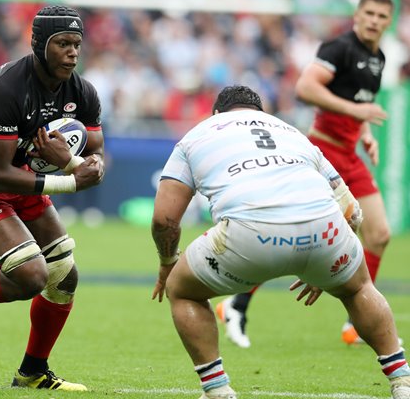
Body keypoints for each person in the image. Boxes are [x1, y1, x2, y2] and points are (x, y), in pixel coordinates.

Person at [151, 85, 409, 399]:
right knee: (358, 288)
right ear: (261, 113)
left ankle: (217, 388)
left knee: (183, 290)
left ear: (216, 114)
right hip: (326, 229)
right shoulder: (292, 133)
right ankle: (402, 380)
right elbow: (352, 213)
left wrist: (167, 263)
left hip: (250, 234)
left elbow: (165, 220)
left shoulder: (196, 134)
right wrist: (331, 261)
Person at [0, 5, 104, 392]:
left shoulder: (83, 92)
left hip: (25, 180)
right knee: (31, 276)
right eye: (62, 44)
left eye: (77, 44)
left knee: (65, 275)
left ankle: (33, 372)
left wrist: (75, 162)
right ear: (39, 44)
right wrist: (71, 179)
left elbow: (95, 157)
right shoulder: (4, 89)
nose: (73, 53)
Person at [216, 0, 395, 348]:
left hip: (350, 154)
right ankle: (236, 303)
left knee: (380, 233)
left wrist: (367, 135)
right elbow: (306, 88)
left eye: (381, 16)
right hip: (324, 153)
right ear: (357, 16)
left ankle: (358, 320)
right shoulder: (339, 47)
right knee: (289, 232)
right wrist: (357, 111)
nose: (374, 21)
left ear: (388, 21)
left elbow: (357, 105)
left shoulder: (379, 58)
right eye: (369, 13)